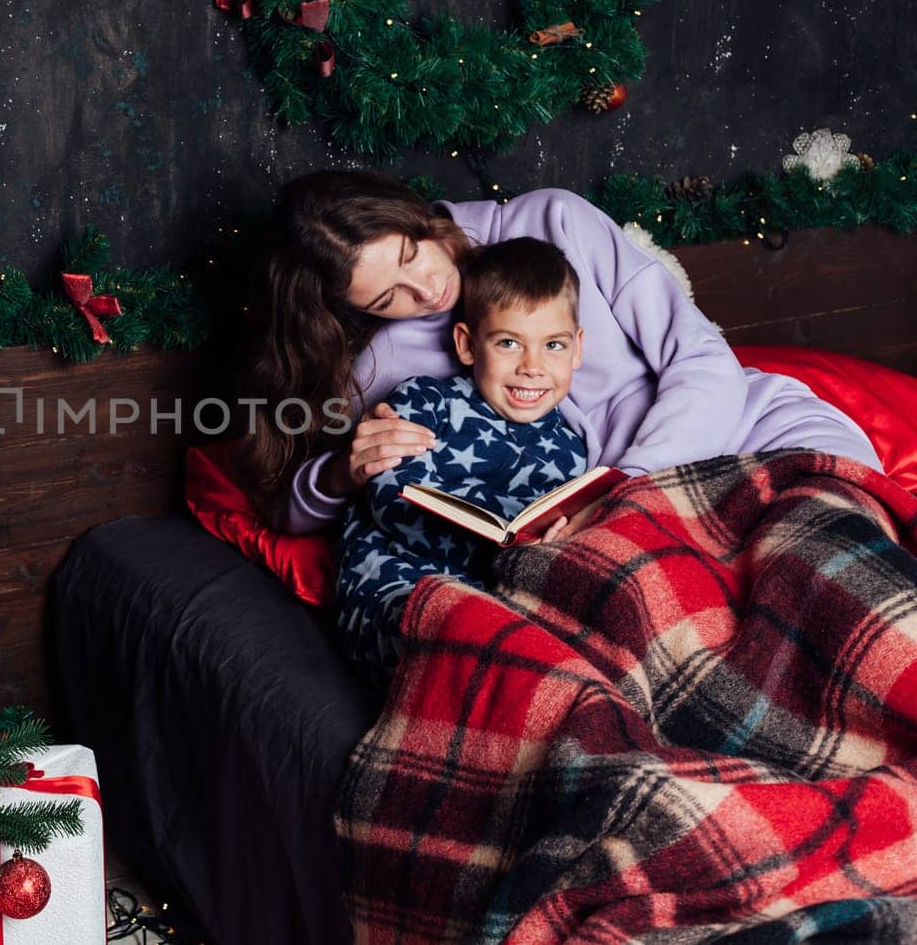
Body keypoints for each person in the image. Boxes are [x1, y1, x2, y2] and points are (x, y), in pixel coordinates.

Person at [236, 171, 881, 533]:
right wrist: (342, 472)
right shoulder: (385, 362)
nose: (426, 289)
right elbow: (290, 508)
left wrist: (625, 492)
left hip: (754, 431)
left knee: (834, 558)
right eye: (387, 299)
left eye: (411, 255)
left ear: (414, 218)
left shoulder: (555, 221)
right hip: (639, 524)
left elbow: (704, 361)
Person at [336, 238, 590, 682]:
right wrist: (498, 554)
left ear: (577, 349)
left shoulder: (573, 451)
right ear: (468, 345)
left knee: (566, 641)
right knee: (464, 636)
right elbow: (391, 500)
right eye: (509, 343)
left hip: (502, 600)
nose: (532, 366)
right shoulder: (426, 400)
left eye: (553, 345)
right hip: (399, 587)